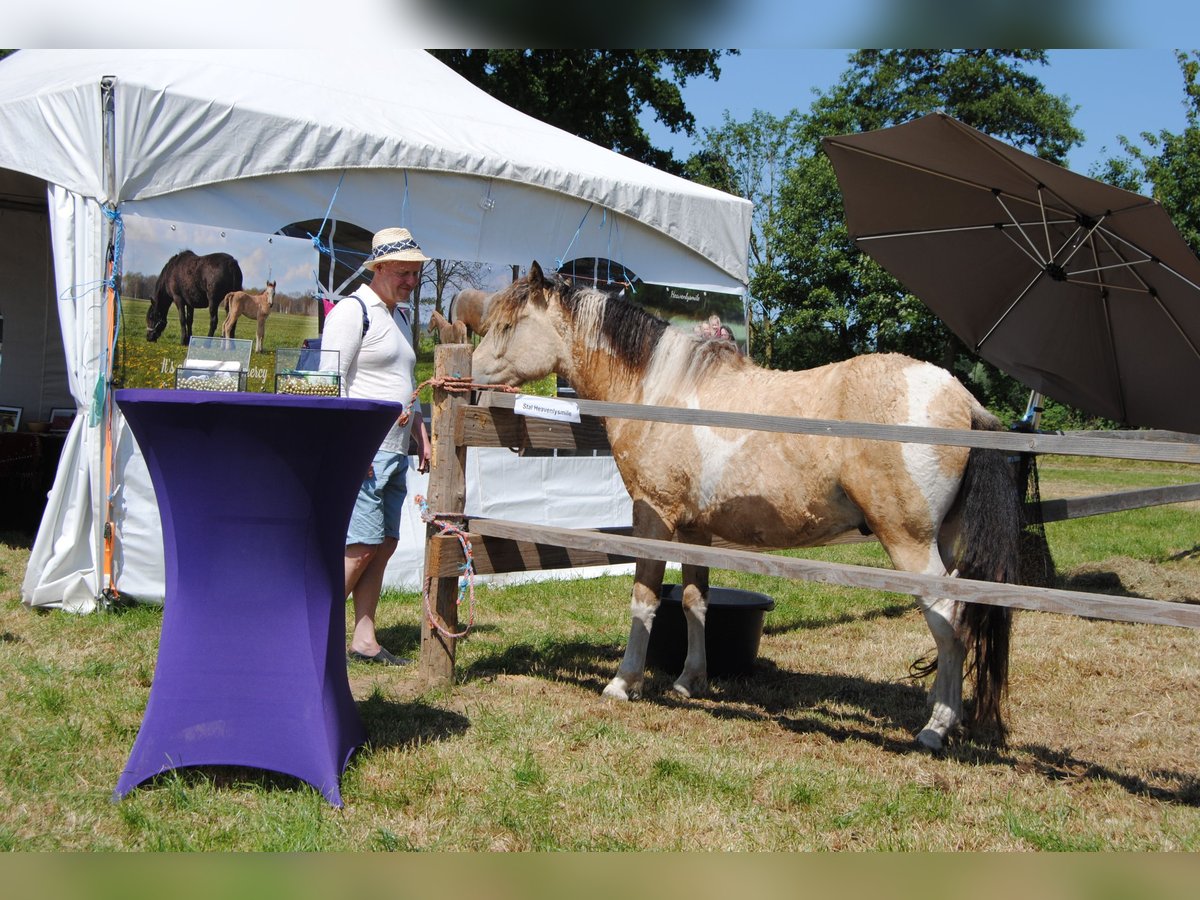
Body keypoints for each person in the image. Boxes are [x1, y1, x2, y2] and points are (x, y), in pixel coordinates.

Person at [321, 226, 432, 665]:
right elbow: (330, 383)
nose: (411, 282)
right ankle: (310, 627)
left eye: (415, 274)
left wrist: (420, 430)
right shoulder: (352, 312)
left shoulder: (399, 317)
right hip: (365, 452)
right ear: (380, 268)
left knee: (383, 544)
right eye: (404, 273)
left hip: (394, 450)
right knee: (362, 546)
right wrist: (351, 445)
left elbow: (408, 383)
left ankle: (364, 640)